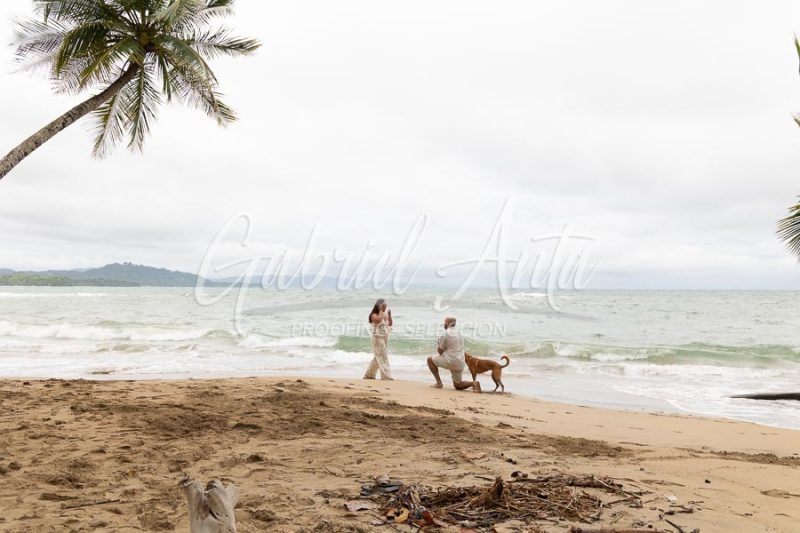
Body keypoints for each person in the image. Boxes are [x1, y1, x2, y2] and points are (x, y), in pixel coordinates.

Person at [427, 317, 481, 392]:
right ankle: (473, 383)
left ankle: (439, 383)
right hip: (460, 362)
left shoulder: (445, 334)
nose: (444, 324)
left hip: (450, 361)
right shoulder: (460, 333)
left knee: (429, 360)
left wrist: (438, 343)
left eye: (445, 322)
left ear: (448, 323)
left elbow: (440, 351)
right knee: (458, 385)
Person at [363, 298, 393, 380]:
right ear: (378, 306)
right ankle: (386, 376)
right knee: (383, 356)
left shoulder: (384, 313)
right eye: (382, 305)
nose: (384, 306)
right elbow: (379, 320)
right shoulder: (374, 315)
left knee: (378, 357)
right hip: (377, 338)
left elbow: (390, 324)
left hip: (384, 337)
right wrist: (381, 310)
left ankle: (369, 375)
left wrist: (389, 315)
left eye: (385, 305)